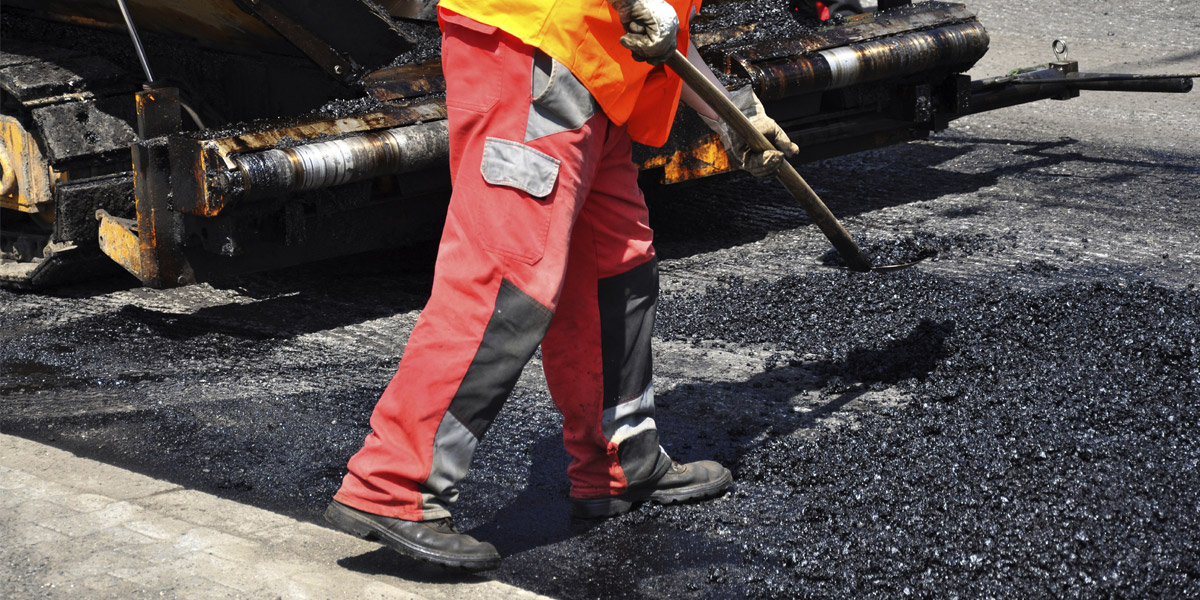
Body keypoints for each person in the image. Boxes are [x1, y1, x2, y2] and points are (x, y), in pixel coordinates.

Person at [325, 0, 799, 571]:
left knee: (616, 266)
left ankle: (620, 462)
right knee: (505, 278)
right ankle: (394, 485)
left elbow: (661, 21)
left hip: (597, 71)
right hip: (533, 51)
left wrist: (734, 115)